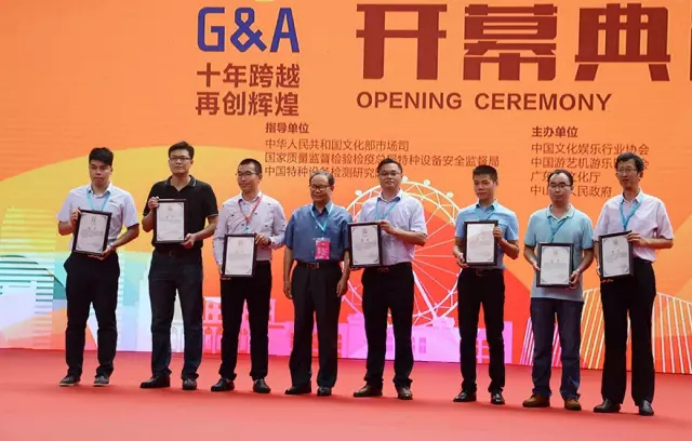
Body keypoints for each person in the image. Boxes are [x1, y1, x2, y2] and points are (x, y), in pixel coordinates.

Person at [593, 152, 674, 417]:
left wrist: (645, 241)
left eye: (629, 169)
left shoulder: (654, 205)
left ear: (640, 174)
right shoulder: (610, 206)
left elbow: (668, 240)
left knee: (642, 334)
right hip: (613, 274)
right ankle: (611, 397)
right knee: (614, 335)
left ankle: (644, 398)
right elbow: (598, 240)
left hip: (640, 271)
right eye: (620, 170)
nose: (624, 174)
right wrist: (601, 266)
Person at [56, 147, 140, 387]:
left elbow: (134, 229)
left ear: (111, 169)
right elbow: (61, 229)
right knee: (75, 320)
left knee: (106, 318)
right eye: (93, 168)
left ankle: (104, 371)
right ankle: (73, 371)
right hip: (79, 262)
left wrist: (114, 245)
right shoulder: (75, 195)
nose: (98, 172)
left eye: (103, 168)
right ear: (89, 168)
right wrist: (72, 223)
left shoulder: (123, 197)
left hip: (106, 261)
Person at [140, 141, 218, 391]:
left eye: (183, 158)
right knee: (160, 319)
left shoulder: (203, 189)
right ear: (169, 161)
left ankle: (190, 374)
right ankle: (160, 373)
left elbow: (215, 224)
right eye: (174, 158)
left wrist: (196, 236)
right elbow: (146, 226)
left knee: (192, 318)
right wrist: (152, 210)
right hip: (161, 259)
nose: (178, 162)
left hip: (189, 260)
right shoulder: (158, 188)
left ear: (191, 161)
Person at [353, 158, 427, 401]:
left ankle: (403, 382)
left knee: (402, 331)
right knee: (374, 330)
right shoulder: (367, 206)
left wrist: (394, 231)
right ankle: (373, 382)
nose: (389, 177)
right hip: (373, 274)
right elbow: (359, 237)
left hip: (399, 273)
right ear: (378, 176)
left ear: (401, 176)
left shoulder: (412, 204)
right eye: (384, 173)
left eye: (394, 173)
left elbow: (421, 237)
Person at [211, 159, 287, 393]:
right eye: (239, 174)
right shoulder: (228, 205)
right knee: (230, 326)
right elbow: (218, 238)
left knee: (259, 325)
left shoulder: (272, 205)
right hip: (232, 270)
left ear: (259, 176)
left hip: (260, 268)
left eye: (248, 174)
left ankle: (259, 376)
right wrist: (221, 264)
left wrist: (269, 241)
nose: (243, 178)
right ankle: (226, 375)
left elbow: (283, 235)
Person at [521, 169, 594, 411]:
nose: (558, 189)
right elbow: (527, 249)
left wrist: (579, 271)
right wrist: (534, 262)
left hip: (571, 293)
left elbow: (589, 252)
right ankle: (540, 392)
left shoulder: (582, 220)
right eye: (553, 184)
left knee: (570, 347)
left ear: (572, 188)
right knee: (541, 346)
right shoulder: (536, 218)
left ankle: (570, 394)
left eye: (563, 185)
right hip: (541, 293)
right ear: (548, 188)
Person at [452, 165, 520, 405]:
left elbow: (515, 253)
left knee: (495, 334)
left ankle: (496, 388)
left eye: (485, 182)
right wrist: (458, 255)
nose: (480, 187)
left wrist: (501, 240)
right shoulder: (464, 214)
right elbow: (457, 245)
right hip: (469, 276)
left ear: (495, 183)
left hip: (493, 278)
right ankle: (468, 387)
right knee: (467, 334)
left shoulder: (507, 216)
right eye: (476, 183)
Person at [283, 171, 351, 397]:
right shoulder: (298, 215)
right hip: (302, 272)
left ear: (332, 188)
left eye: (322, 186)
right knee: (301, 327)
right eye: (313, 186)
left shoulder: (343, 216)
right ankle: (300, 381)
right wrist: (286, 278)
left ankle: (326, 381)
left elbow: (349, 251)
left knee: (327, 328)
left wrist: (344, 277)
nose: (317, 190)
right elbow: (289, 248)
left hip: (329, 273)